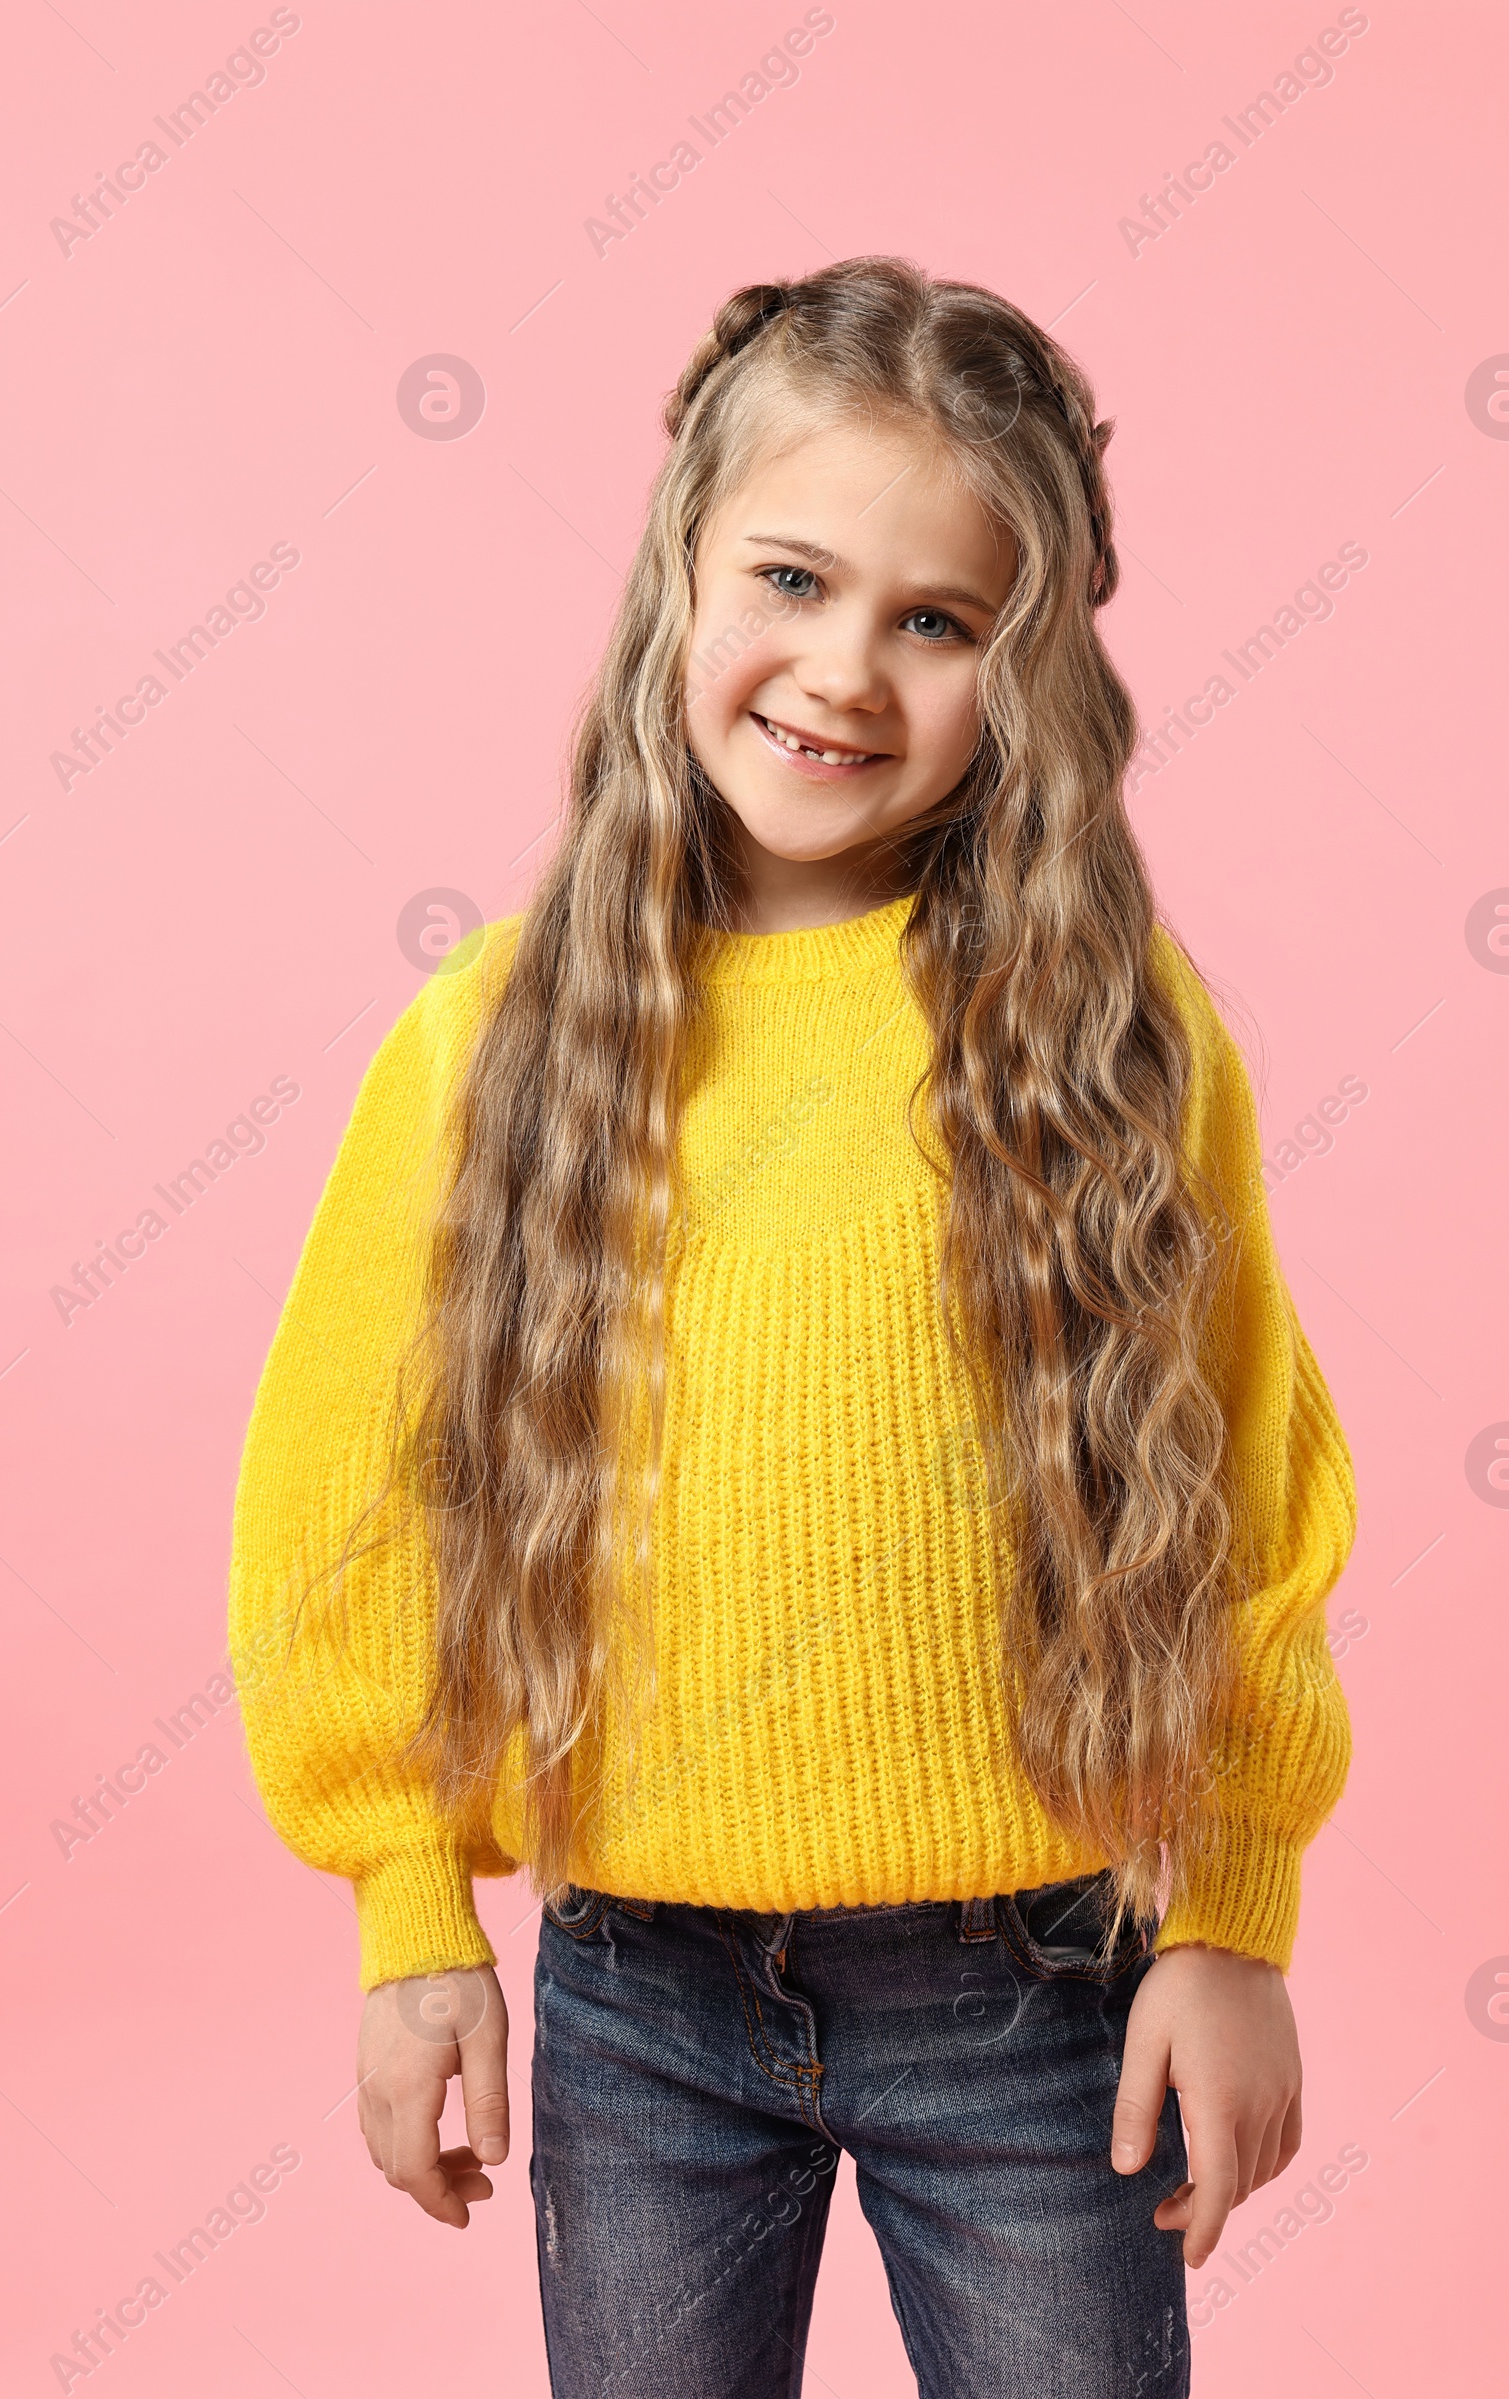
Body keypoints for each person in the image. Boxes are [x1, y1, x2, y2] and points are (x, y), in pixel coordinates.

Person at [227, 256, 1356, 2398]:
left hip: (1030, 1991)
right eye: (793, 577)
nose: (845, 670)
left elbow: (1239, 1482)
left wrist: (1228, 1916)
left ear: (1025, 673)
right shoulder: (496, 1039)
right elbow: (351, 1502)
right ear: (679, 570)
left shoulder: (1106, 1040)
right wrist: (408, 1915)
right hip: (635, 2001)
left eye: (936, 623)